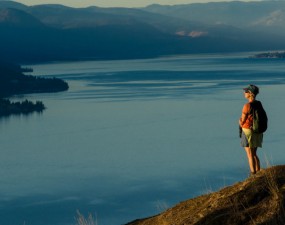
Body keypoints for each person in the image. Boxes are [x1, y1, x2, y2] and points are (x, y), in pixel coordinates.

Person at [239, 84, 263, 175]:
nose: (244, 92)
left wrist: (239, 122)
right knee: (254, 153)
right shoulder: (258, 103)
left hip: (247, 130)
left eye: (246, 91)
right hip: (257, 130)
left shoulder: (247, 106)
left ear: (250, 93)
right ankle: (258, 171)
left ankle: (253, 174)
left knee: (249, 154)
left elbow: (243, 121)